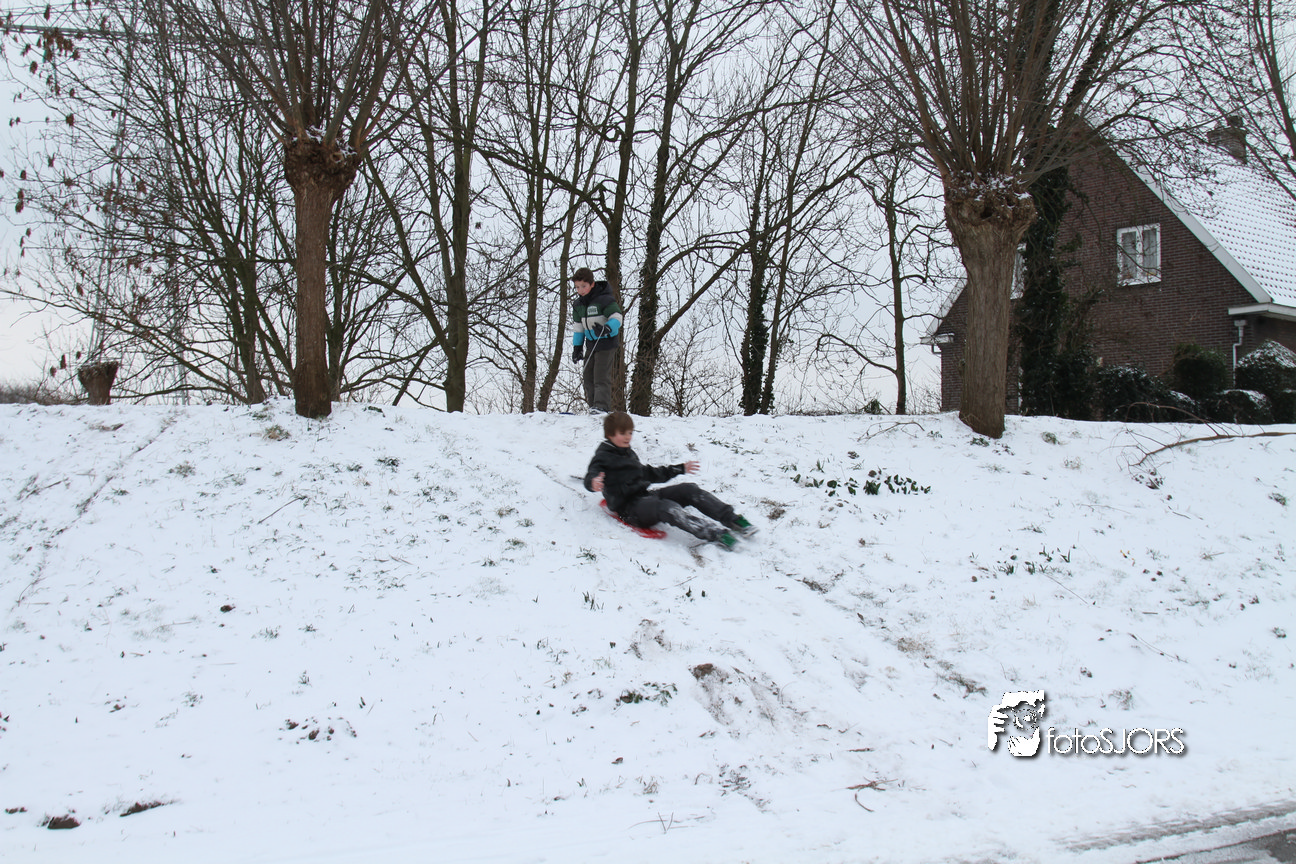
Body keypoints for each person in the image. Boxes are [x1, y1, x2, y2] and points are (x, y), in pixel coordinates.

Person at [583, 411, 757, 550]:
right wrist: (593, 482)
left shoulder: (628, 452)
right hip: (629, 509)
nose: (628, 437)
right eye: (623, 433)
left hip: (645, 497)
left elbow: (648, 473)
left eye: (630, 432)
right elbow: (591, 474)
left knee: (688, 489)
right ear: (610, 434)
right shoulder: (603, 457)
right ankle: (714, 533)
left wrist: (680, 468)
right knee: (667, 507)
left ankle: (732, 519)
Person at [569, 267, 622, 414]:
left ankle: (602, 406)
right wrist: (577, 348)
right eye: (577, 287)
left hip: (606, 342)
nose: (580, 290)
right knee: (588, 375)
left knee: (600, 375)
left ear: (592, 284)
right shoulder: (578, 305)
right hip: (591, 344)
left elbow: (617, 317)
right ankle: (593, 406)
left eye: (583, 286)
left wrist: (607, 328)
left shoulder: (604, 299)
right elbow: (578, 327)